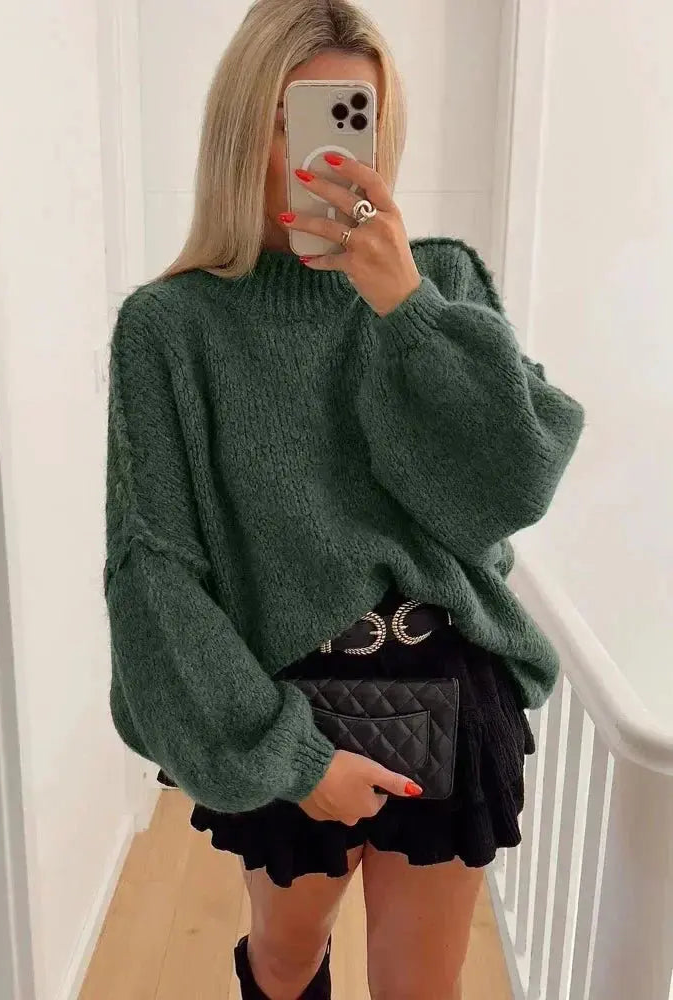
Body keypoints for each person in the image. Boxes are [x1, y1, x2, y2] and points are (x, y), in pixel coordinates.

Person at [102, 1, 585, 997]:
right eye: (287, 118)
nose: (314, 152)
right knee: (287, 957)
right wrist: (289, 756)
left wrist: (407, 310)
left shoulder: (438, 281)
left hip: (449, 683)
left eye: (345, 116)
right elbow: (155, 573)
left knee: (421, 987)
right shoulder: (171, 326)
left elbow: (515, 482)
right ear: (243, 129)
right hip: (283, 697)